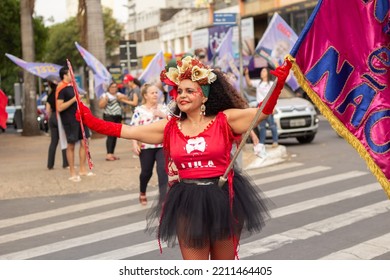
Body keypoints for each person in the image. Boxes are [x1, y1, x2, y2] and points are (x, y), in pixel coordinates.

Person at [76, 56, 291, 260]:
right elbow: (128, 131)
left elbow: (262, 112)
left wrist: (279, 83)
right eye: (179, 91)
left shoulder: (224, 120)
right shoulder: (170, 127)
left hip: (223, 199)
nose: (182, 95)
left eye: (190, 90)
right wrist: (90, 120)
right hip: (187, 202)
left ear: (204, 95)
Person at [130, 83, 168, 205]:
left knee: (163, 171)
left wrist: (161, 114)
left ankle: (163, 200)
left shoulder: (164, 108)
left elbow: (174, 122)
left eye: (156, 92)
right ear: (145, 95)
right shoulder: (139, 110)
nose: (155, 95)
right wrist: (134, 144)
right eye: (152, 93)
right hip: (146, 146)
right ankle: (142, 191)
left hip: (162, 145)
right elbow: (133, 128)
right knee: (146, 172)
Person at [56, 66, 91, 182]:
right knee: (71, 145)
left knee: (85, 141)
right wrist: (73, 100)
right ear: (65, 76)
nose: (73, 76)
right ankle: (72, 172)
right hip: (69, 121)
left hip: (80, 119)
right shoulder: (61, 89)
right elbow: (59, 107)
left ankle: (82, 169)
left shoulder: (73, 87)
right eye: (70, 74)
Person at [245, 67, 279, 147]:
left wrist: (274, 107)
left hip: (268, 106)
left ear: (267, 73)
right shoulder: (258, 83)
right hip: (259, 107)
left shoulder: (271, 83)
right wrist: (246, 74)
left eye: (263, 71)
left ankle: (275, 141)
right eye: (261, 71)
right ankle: (262, 143)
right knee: (262, 126)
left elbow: (274, 96)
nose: (262, 73)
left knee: (271, 124)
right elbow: (249, 83)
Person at [98, 82, 126, 161]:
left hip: (117, 116)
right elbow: (100, 106)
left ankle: (112, 153)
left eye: (115, 87)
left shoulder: (118, 94)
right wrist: (105, 100)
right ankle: (108, 154)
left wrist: (121, 97)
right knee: (110, 135)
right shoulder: (105, 95)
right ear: (109, 88)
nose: (114, 88)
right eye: (112, 87)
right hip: (109, 116)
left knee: (115, 135)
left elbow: (127, 99)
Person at [46, 81, 69, 170]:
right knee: (64, 140)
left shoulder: (50, 96)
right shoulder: (61, 94)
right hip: (60, 117)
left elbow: (47, 110)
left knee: (53, 141)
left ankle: (50, 164)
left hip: (52, 118)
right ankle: (65, 163)